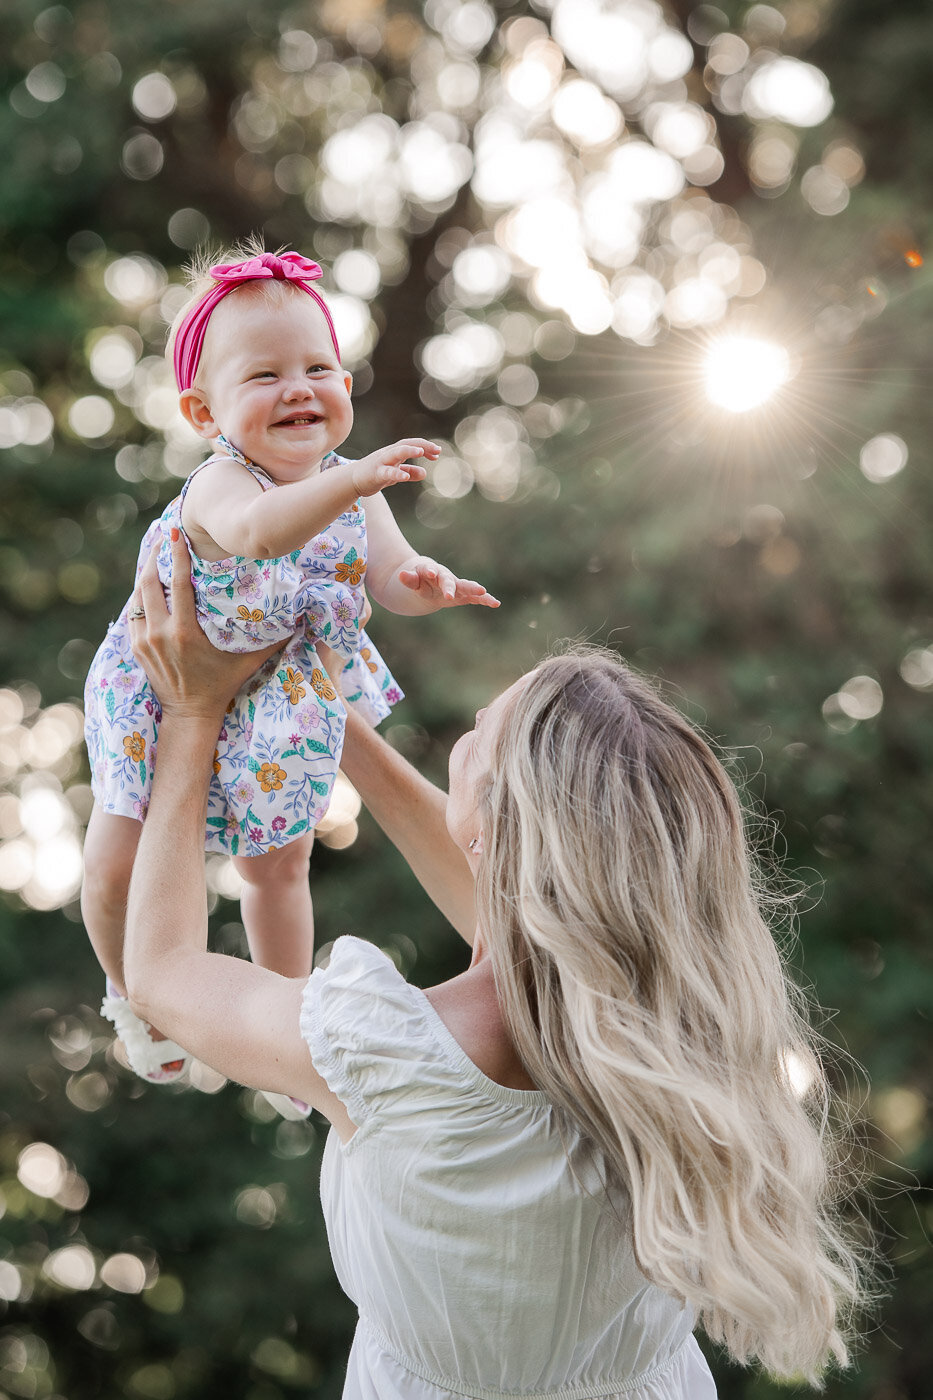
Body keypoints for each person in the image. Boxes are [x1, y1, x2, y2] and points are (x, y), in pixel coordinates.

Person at [120, 532, 867, 1399]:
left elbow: (163, 970)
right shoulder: (682, 1035)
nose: (466, 733)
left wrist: (191, 714)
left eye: (480, 733)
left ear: (502, 821)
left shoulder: (389, 1048)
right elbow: (514, 903)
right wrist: (323, 702)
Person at [82, 242, 498, 1086]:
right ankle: (132, 994)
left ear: (344, 386)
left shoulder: (354, 485)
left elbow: (388, 579)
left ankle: (283, 1023)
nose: (299, 387)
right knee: (117, 858)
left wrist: (426, 584)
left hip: (282, 693)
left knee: (281, 863)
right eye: (264, 375)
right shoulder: (219, 484)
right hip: (164, 690)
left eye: (318, 367)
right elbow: (261, 534)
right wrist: (353, 487)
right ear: (204, 413)